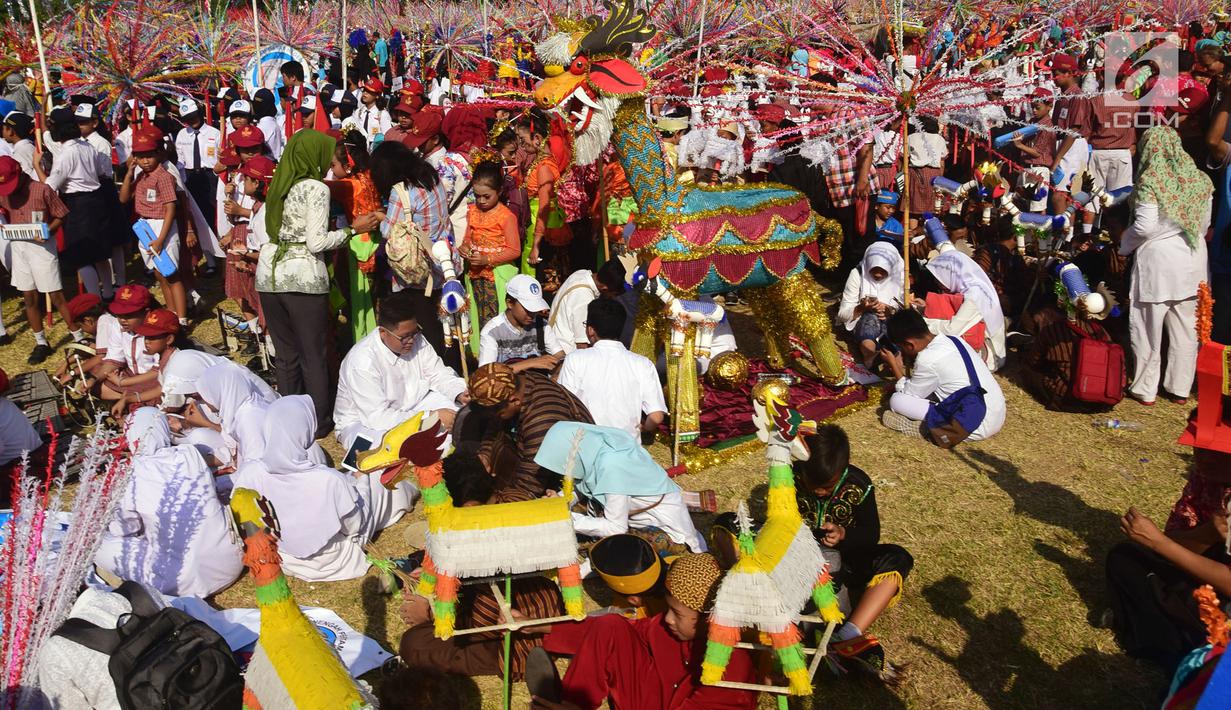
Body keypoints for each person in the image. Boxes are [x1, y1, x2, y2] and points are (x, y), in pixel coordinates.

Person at [398, 447, 566, 679]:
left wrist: (429, 613)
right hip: (542, 600)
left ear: (468, 506)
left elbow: (484, 614)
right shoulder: (517, 498)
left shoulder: (475, 527)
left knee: (413, 644)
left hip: (515, 624)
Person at [257, 129, 380, 438]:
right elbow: (316, 242)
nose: (329, 160)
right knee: (313, 353)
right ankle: (319, 421)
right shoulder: (315, 188)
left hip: (269, 277)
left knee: (286, 354)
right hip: (303, 278)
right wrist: (353, 230)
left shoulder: (280, 183)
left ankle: (290, 419)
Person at [530, 553, 758, 709]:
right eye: (669, 608)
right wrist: (541, 625)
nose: (667, 619)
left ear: (709, 619)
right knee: (610, 625)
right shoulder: (669, 628)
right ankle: (572, 702)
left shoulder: (732, 668)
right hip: (649, 697)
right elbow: (614, 634)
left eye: (677, 614)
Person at [231, 395, 416, 582]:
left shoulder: (250, 473)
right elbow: (355, 527)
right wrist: (362, 478)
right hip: (334, 561)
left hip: (284, 557)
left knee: (350, 484)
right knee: (376, 480)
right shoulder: (328, 480)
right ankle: (407, 494)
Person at [792, 425, 913, 679]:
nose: (819, 492)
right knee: (730, 525)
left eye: (827, 486)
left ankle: (848, 634)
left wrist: (844, 534)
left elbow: (871, 534)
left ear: (843, 469)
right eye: (814, 485)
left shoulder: (858, 484)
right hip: (799, 562)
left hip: (848, 561)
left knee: (898, 558)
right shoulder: (789, 478)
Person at [94, 407, 244, 597]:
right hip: (231, 563)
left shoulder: (129, 474)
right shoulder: (189, 453)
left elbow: (125, 530)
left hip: (183, 582)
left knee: (99, 547)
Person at [1106, 448, 1231, 672]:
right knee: (1126, 558)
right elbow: (1178, 539)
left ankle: (1184, 652)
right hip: (1206, 584)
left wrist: (1159, 543)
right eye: (1200, 447)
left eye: (1219, 452)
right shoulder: (1204, 479)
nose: (1204, 457)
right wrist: (1208, 534)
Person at [1120, 126, 1211, 405]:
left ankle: (1145, 388)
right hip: (1194, 261)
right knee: (1186, 331)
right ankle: (1179, 388)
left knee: (1147, 329)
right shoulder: (1200, 179)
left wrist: (1124, 245)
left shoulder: (1150, 180)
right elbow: (1203, 225)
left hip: (1158, 264)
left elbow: (1145, 227)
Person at [535, 422, 705, 553]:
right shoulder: (596, 451)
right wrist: (560, 501)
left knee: (617, 554)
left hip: (667, 532)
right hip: (633, 521)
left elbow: (615, 528)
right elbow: (583, 486)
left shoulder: (611, 466)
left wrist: (565, 518)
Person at [334, 290, 470, 452]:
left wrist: (459, 392)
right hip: (365, 423)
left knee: (461, 414)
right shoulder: (362, 361)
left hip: (416, 405)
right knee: (384, 446)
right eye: (404, 337)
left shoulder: (416, 338)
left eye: (415, 332)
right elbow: (377, 418)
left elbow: (438, 374)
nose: (411, 340)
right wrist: (430, 418)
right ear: (383, 332)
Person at [465, 362, 593, 502]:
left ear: (514, 401)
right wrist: (486, 454)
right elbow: (495, 422)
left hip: (571, 490)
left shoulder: (541, 422)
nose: (491, 416)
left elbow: (526, 489)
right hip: (531, 462)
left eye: (494, 412)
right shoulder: (523, 381)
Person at [880, 308, 1006, 443]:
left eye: (902, 347)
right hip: (996, 414)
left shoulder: (927, 359)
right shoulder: (954, 339)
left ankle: (928, 430)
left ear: (910, 345)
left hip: (972, 425)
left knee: (897, 400)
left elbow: (908, 394)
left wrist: (895, 365)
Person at [0, 156, 81, 364]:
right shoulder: (4, 193)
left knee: (55, 294)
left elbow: (61, 214)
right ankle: (41, 342)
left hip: (42, 247)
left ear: (19, 173)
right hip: (19, 246)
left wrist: (49, 231)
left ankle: (78, 336)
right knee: (28, 296)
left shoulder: (41, 189)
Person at [44, 107, 127, 300]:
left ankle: (94, 298)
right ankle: (107, 293)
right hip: (96, 200)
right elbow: (99, 172)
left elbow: (51, 186)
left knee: (81, 256)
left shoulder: (66, 154)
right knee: (99, 253)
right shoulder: (88, 147)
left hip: (78, 205)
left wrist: (38, 168)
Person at [557, 300, 666, 440]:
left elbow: (563, 405)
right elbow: (656, 417)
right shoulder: (643, 364)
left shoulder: (575, 359)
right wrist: (645, 428)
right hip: (625, 447)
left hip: (585, 444)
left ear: (590, 330)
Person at [120, 127, 189, 319]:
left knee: (171, 273)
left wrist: (160, 239)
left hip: (162, 226)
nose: (145, 161)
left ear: (158, 154)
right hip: (145, 226)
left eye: (149, 156)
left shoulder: (164, 176)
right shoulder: (141, 176)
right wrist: (128, 174)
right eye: (140, 157)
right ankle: (171, 313)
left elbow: (170, 208)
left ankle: (181, 318)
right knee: (159, 274)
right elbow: (123, 198)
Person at [460, 160, 521, 331]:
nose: (481, 200)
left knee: (494, 319)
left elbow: (514, 250)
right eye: (477, 195)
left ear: (499, 191)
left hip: (496, 275)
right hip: (475, 274)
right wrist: (465, 247)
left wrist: (487, 259)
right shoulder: (472, 211)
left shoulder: (506, 217)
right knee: (477, 316)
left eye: (487, 196)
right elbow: (468, 237)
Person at [924, 247, 1007, 372]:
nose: (937, 282)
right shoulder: (974, 285)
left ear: (951, 274)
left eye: (939, 278)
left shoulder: (975, 295)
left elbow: (951, 330)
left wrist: (923, 323)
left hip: (988, 357)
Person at [836, 241, 904, 368]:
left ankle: (893, 358)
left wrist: (891, 311)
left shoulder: (900, 275)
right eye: (874, 269)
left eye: (883, 271)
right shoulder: (857, 274)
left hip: (892, 322)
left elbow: (906, 309)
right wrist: (861, 308)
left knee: (893, 331)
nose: (878, 275)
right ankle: (871, 355)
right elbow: (842, 315)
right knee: (870, 319)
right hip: (865, 323)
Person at [545, 258, 626, 356]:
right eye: (614, 294)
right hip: (565, 355)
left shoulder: (582, 274)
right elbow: (583, 346)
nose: (613, 298)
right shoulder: (584, 298)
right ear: (605, 288)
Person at [175, 99, 222, 269]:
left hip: (210, 177)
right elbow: (180, 159)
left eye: (194, 116)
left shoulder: (214, 133)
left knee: (213, 215)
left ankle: (220, 252)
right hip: (190, 178)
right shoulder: (182, 135)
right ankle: (209, 258)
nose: (192, 120)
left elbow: (219, 157)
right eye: (188, 118)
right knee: (197, 217)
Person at [477, 274, 558, 371]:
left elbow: (559, 354)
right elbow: (486, 373)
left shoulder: (542, 325)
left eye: (535, 308)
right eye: (527, 309)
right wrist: (531, 363)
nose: (532, 314)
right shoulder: (492, 332)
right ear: (510, 303)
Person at [1048, 53, 1094, 214]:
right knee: (1067, 196)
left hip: (1071, 147)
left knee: (1060, 196)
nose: (1053, 78)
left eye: (1056, 74)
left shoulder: (1077, 96)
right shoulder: (1063, 96)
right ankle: (1067, 228)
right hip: (1063, 145)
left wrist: (1058, 158)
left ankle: (1062, 227)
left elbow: (1073, 130)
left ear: (1068, 73)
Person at [348, 77, 392, 147]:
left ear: (377, 95)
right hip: (359, 147)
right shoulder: (358, 112)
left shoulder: (382, 114)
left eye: (369, 91)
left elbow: (387, 136)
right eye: (364, 90)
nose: (365, 93)